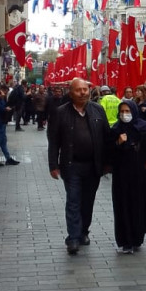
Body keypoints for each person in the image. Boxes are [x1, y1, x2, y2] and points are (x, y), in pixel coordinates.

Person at [48, 77, 111, 255]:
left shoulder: (98, 110)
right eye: (78, 90)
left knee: (88, 201)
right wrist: (53, 164)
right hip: (71, 165)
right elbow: (53, 141)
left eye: (85, 89)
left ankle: (84, 231)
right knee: (73, 201)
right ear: (71, 93)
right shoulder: (61, 112)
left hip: (93, 165)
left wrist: (108, 162)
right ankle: (73, 238)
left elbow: (106, 137)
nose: (83, 93)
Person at [110, 100, 146, 254]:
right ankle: (125, 241)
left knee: (139, 205)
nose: (125, 114)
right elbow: (109, 152)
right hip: (121, 176)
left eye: (127, 111)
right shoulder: (116, 129)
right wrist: (118, 142)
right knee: (123, 206)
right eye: (122, 111)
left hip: (140, 175)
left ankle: (137, 237)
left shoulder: (144, 127)